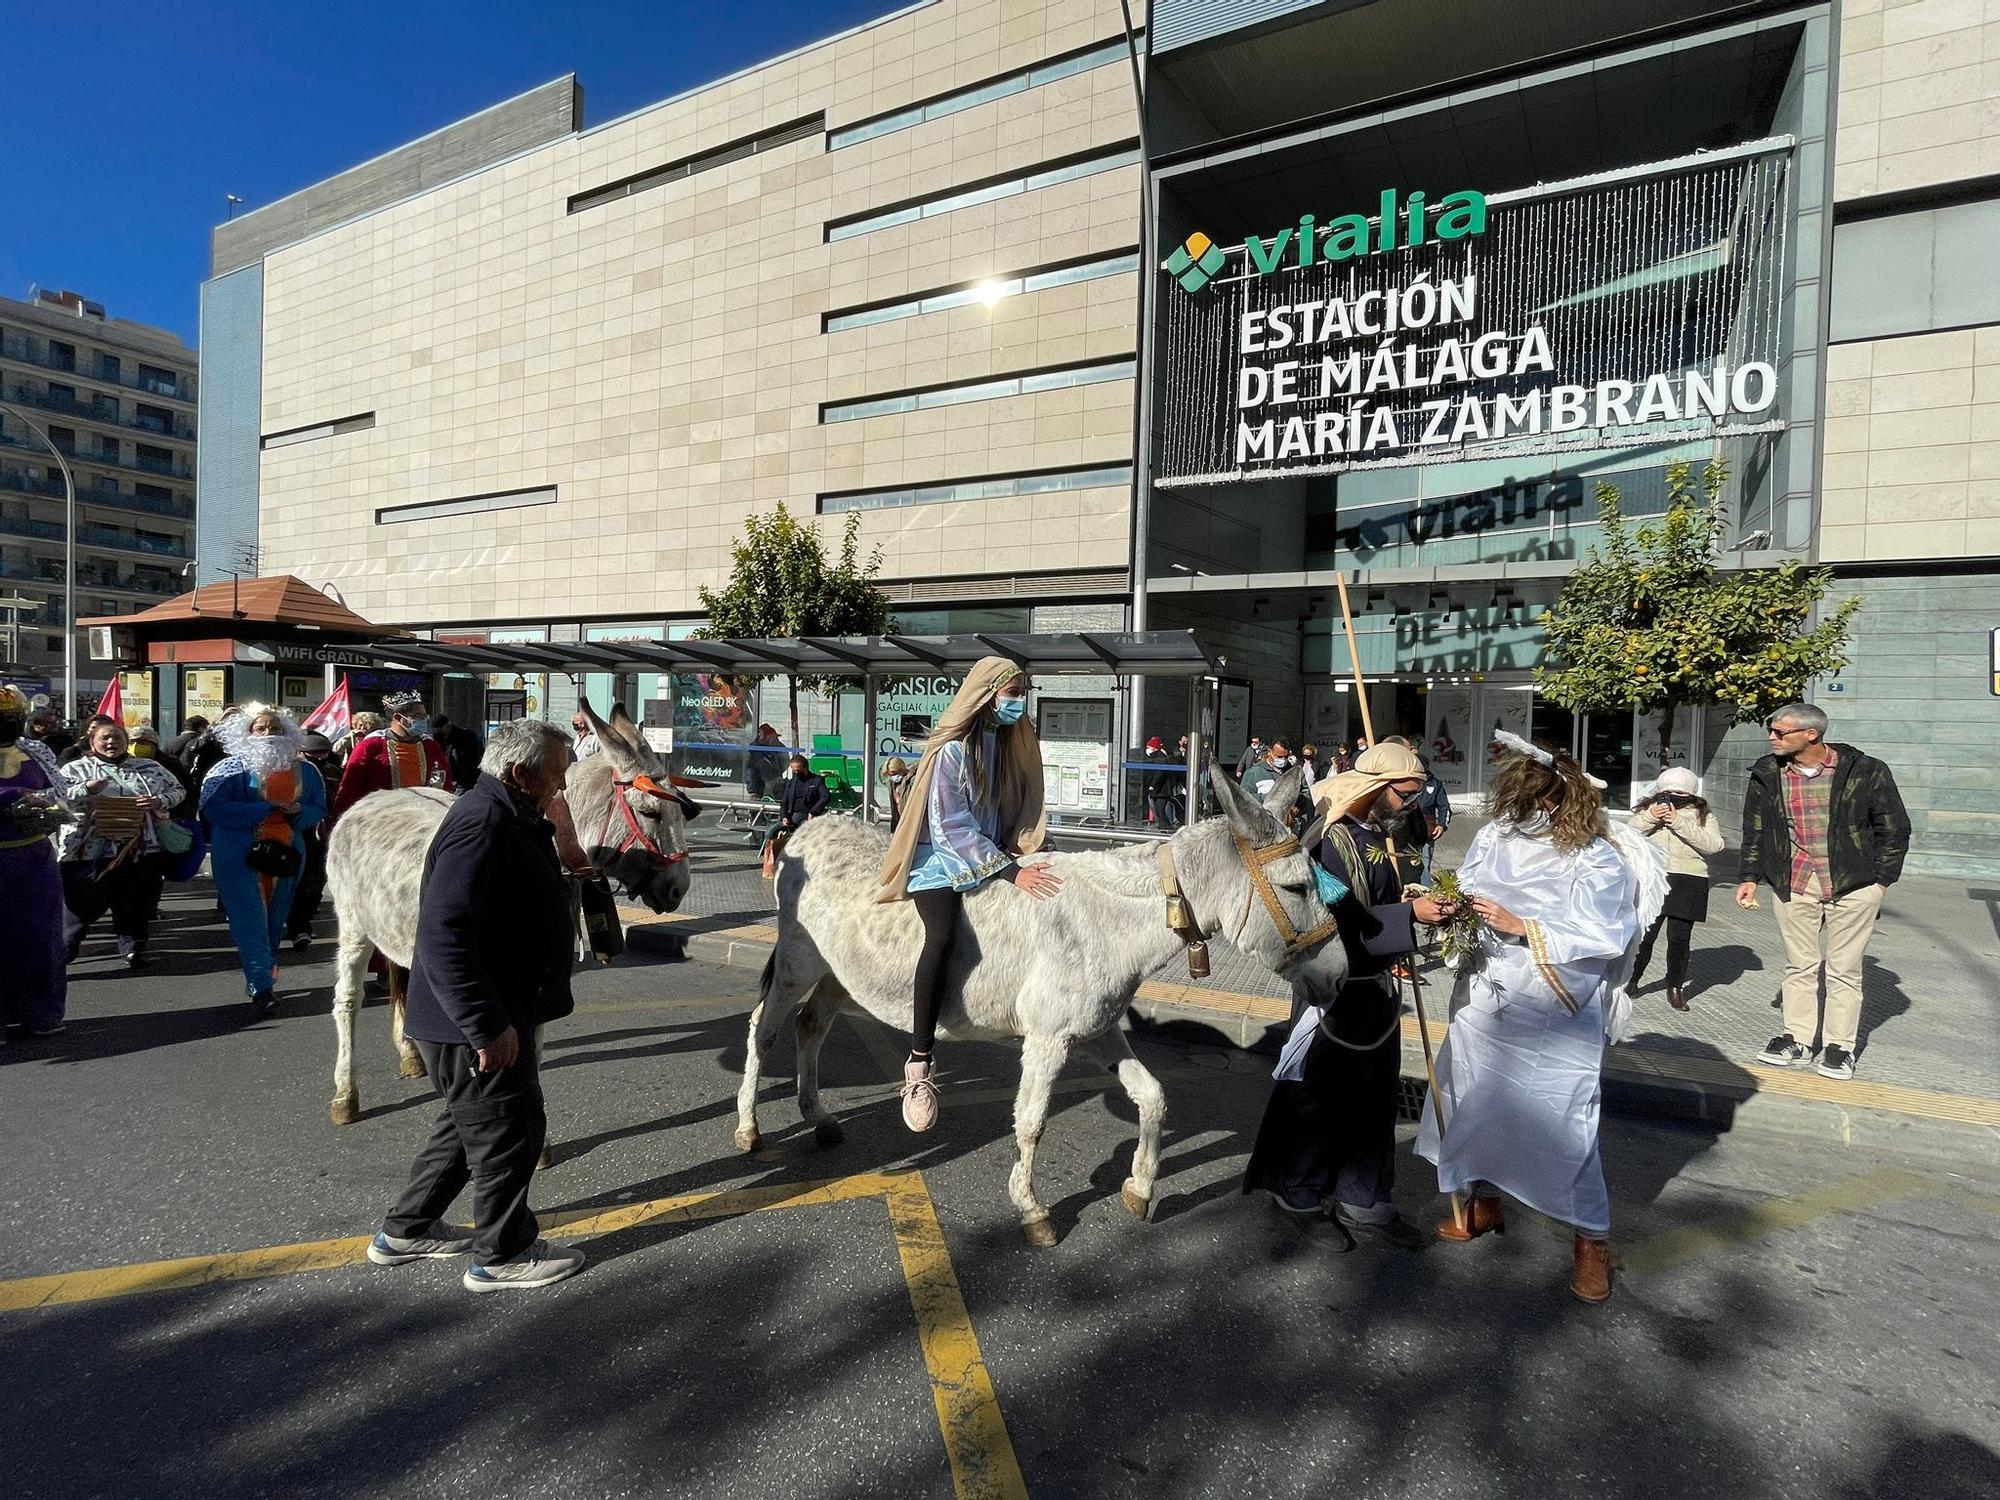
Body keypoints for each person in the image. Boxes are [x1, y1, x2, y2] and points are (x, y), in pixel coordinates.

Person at [1416, 737, 1640, 1305]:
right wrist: (1451, 907)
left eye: (1534, 802)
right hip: (1485, 1000)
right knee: (1476, 1101)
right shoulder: (1496, 836)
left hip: (1554, 1008)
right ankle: (1483, 1203)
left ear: (1563, 799)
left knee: (1565, 1123)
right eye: (1515, 801)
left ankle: (1592, 1242)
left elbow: (1608, 935)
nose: (1522, 813)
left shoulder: (1597, 855)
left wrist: (1525, 926)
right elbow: (1470, 882)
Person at [369, 718, 584, 1292]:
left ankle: (406, 1230)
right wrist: (485, 1025)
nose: (560, 788)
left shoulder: (506, 814)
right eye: (556, 777)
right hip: (475, 1023)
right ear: (519, 774)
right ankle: (502, 1255)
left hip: (486, 1013)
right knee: (508, 1132)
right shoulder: (482, 824)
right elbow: (443, 935)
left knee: (470, 1127)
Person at [1244, 743, 1455, 1250]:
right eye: (1406, 793)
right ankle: (1299, 1193)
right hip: (1332, 992)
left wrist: (1408, 903)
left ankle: (1366, 1198)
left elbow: (1376, 900)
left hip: (1378, 988)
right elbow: (1331, 923)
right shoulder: (1328, 842)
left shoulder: (1380, 835)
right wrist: (1410, 918)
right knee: (1320, 1095)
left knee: (1373, 1098)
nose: (1412, 803)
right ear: (1377, 788)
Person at [875, 658, 1060, 1133]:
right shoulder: (952, 749)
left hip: (988, 852)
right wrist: (1009, 872)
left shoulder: (1003, 743)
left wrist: (1028, 848)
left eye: (1023, 691)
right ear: (987, 694)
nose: (1018, 701)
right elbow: (950, 826)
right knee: (941, 936)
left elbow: (1006, 810)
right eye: (1011, 692)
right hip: (939, 859)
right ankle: (919, 1064)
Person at [1737, 703, 1909, 1081]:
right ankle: (1798, 1038)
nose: (1772, 737)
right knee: (1799, 964)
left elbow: (1894, 828)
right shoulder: (1768, 773)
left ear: (1810, 734)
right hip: (1795, 881)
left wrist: (1880, 881)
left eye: (1780, 732)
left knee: (1844, 969)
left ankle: (1838, 1046)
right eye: (1772, 730)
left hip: (1853, 883)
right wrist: (1749, 875)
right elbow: (1756, 830)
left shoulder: (1865, 770)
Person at [200, 708, 329, 1018]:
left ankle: (265, 972)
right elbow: (212, 807)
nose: (269, 733)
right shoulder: (227, 769)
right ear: (247, 733)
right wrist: (263, 808)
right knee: (249, 917)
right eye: (261, 728)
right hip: (238, 853)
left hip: (286, 853)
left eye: (275, 727)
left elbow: (318, 806)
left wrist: (297, 811)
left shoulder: (307, 771)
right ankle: (260, 985)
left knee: (274, 918)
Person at [57, 718, 185, 971]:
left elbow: (178, 789)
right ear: (92, 743)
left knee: (133, 901)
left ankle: (133, 948)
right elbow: (56, 797)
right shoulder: (74, 770)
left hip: (139, 847)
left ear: (126, 742)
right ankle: (66, 948)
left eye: (117, 737)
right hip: (86, 848)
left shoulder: (149, 767)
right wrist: (86, 789)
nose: (111, 742)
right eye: (104, 737)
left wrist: (159, 801)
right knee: (81, 904)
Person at [0, 686, 70, 1037]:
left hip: (33, 858)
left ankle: (41, 1012)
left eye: (12, 718)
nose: (7, 725)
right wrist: (12, 796)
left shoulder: (36, 750)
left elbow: (62, 791)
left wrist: (52, 807)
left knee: (39, 936)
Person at [1629, 767, 1724, 1011]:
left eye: (1681, 792)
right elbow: (1628, 835)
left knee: (1679, 939)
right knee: (1645, 934)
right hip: (1655, 876)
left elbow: (1714, 845)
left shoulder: (1703, 812)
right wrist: (1651, 817)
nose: (1675, 796)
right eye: (1669, 791)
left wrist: (1679, 822)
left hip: (1690, 878)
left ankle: (1675, 988)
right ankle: (1630, 980)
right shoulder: (1648, 808)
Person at [330, 691, 452, 825]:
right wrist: (338, 819)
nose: (423, 720)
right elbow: (350, 786)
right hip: (380, 820)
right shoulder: (372, 745)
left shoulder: (431, 746)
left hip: (422, 818)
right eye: (417, 716)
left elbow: (445, 782)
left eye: (424, 716)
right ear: (398, 718)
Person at [285, 731, 341, 951]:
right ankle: (297, 926)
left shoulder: (334, 772)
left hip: (325, 834)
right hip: (300, 832)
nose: (319, 758)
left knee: (315, 884)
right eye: (313, 754)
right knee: (295, 883)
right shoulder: (297, 772)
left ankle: (302, 924)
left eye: (324, 753)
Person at [428, 713, 484, 793]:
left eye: (440, 731)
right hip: (443, 782)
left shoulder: (467, 737)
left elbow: (475, 761)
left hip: (465, 782)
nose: (437, 734)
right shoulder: (436, 741)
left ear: (448, 726)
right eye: (435, 732)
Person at [1142, 736, 1181, 830]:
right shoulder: (1156, 756)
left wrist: (1152, 784)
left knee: (1160, 810)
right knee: (1158, 810)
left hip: (1161, 789)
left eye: (1149, 747)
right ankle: (1163, 826)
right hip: (1157, 789)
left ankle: (1166, 827)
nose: (1147, 749)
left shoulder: (1160, 756)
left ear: (1153, 747)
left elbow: (1159, 772)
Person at [746, 723, 788, 798]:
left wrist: (777, 774)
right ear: (767, 737)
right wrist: (751, 790)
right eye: (773, 737)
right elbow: (750, 772)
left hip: (775, 783)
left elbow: (785, 762)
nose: (776, 740)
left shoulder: (778, 747)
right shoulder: (755, 752)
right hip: (761, 786)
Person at [880, 755, 913, 827]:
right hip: (900, 822)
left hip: (910, 822)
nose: (892, 776)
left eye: (894, 773)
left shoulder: (911, 782)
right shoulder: (893, 785)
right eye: (890, 774)